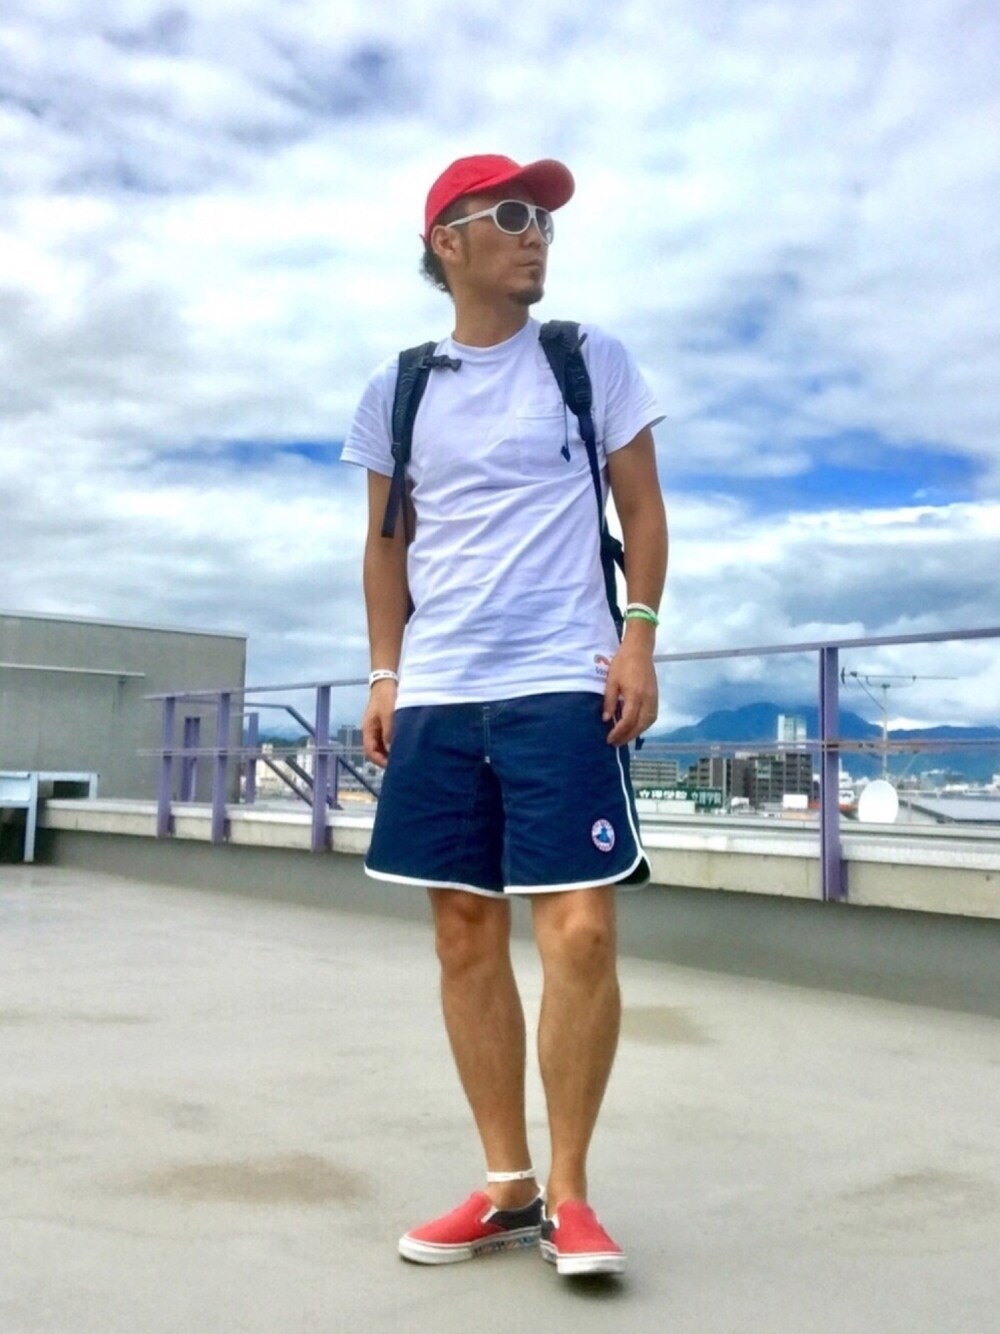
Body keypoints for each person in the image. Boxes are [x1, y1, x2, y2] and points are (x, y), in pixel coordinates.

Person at [340, 153, 668, 1277]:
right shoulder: (397, 390)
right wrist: (384, 674)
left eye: (546, 221)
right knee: (462, 933)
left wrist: (638, 635)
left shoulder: (586, 359)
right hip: (439, 690)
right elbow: (386, 547)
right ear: (448, 241)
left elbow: (642, 507)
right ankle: (508, 1187)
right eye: (516, 214)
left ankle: (571, 1194)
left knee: (579, 930)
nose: (538, 234)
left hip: (564, 678)